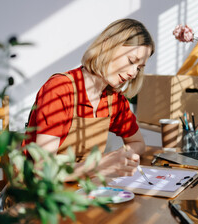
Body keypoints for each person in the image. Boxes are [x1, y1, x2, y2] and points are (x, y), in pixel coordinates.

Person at [22, 18, 155, 181]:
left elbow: (138, 143)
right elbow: (43, 170)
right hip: (38, 195)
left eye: (139, 68)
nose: (133, 73)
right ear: (108, 45)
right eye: (131, 61)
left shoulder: (114, 100)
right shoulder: (60, 89)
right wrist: (101, 164)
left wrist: (119, 156)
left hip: (80, 191)